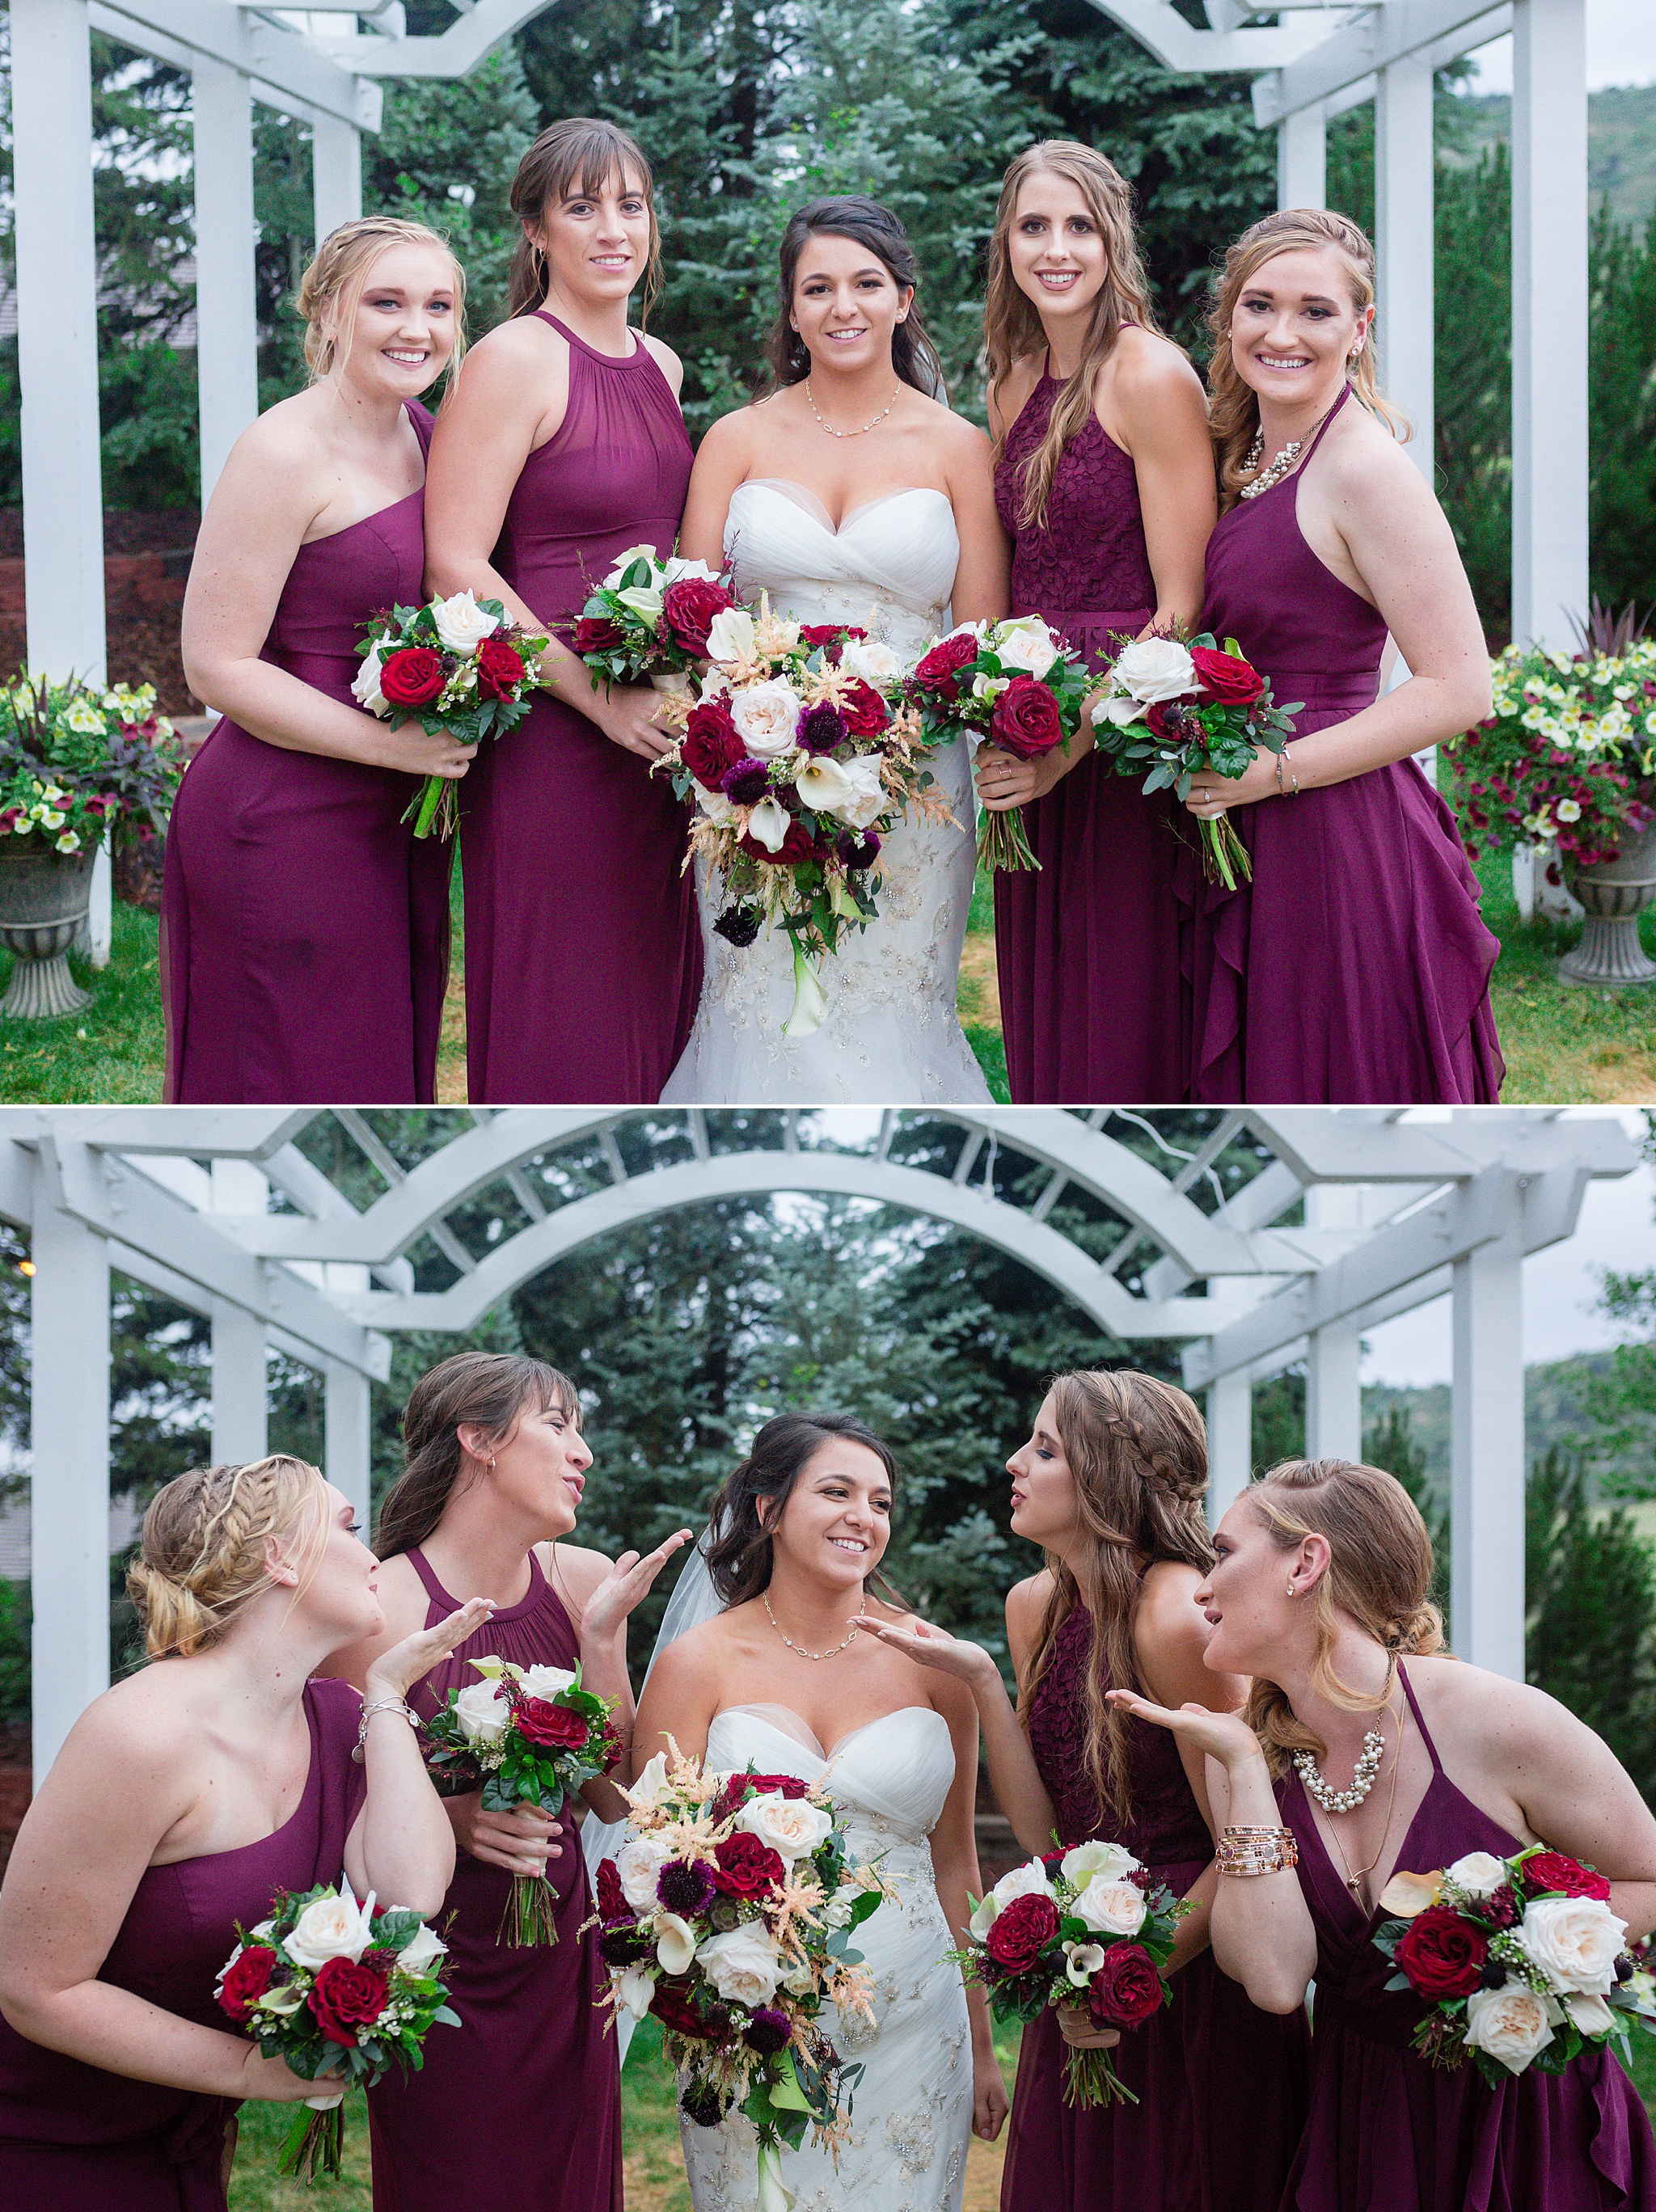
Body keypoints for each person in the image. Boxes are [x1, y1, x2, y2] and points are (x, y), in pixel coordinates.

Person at [1113, 1455, 1656, 2210]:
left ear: (1305, 1563)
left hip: (1526, 2125)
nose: (1200, 1587)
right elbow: (1273, 1983)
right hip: (1370, 2131)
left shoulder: (1499, 1721)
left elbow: (1650, 1880)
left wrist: (1506, 1945)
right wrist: (1240, 1770)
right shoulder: (1238, 1753)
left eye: (1224, 1554)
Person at [868, 1371, 1308, 2211]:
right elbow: (1046, 1839)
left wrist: (1122, 1974)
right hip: (1078, 1965)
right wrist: (984, 1685)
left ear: (1104, 1473)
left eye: (1043, 1449)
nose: (1013, 1463)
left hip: (1192, 1979)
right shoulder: (1033, 1604)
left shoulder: (1177, 1613)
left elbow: (1243, 1841)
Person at [0, 1454, 485, 2210]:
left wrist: (387, 1696)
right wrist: (249, 2071)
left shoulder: (333, 1715)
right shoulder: (139, 1735)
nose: (373, 1556)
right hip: (46, 2142)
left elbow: (411, 1893)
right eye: (350, 1528)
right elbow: (34, 1989)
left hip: (188, 2135)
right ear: (279, 1556)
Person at [319, 1350, 691, 2212]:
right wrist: (447, 1816)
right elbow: (328, 1798)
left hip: (563, 1959)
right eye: (558, 1425)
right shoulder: (381, 1611)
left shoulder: (583, 1581)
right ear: (478, 1439)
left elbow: (614, 1799)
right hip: (437, 1969)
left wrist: (600, 1646)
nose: (583, 1452)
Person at [661, 196, 1009, 1104]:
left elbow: (976, 643)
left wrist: (892, 743)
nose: (841, 307)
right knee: (760, 991)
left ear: (901, 299)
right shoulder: (735, 439)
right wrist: (751, 742)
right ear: (790, 308)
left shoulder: (958, 448)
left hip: (917, 776)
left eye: (864, 284)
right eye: (816, 288)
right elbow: (691, 617)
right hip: (750, 768)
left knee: (891, 996)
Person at [632, 1410, 1008, 2210]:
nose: (862, 1517)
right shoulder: (699, 1662)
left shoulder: (933, 1664)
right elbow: (654, 1864)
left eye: (878, 1501)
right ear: (767, 1510)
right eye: (835, 1492)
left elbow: (956, 1864)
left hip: (914, 2020)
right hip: (750, 2024)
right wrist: (710, 2001)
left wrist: (980, 2043)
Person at [1177, 208, 1503, 1103]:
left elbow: (1457, 687)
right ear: (1226, 318)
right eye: (1258, 306)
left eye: (1314, 312)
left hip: (1333, 831)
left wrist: (1271, 771)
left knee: (1327, 1071)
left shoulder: (1363, 468)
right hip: (1251, 811)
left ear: (1357, 329)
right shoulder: (1250, 451)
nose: (1280, 334)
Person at [423, 117, 702, 1104]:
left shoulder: (662, 367)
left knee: (655, 992)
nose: (613, 229)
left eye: (631, 205)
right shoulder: (514, 358)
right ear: (537, 231)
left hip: (657, 736)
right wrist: (595, 698)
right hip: (553, 729)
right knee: (566, 1005)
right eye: (582, 208)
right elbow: (453, 560)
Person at [165, 217, 470, 1104]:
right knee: (288, 1063)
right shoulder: (282, 450)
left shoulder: (426, 430)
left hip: (397, 818)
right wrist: (397, 751)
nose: (416, 328)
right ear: (330, 312)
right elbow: (216, 667)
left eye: (438, 306)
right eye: (387, 303)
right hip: (280, 816)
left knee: (381, 1057)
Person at [975, 144, 1215, 1104]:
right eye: (1034, 226)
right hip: (1028, 710)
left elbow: (1184, 604)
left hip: (1120, 730)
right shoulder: (1008, 383)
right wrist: (1001, 709)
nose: (1055, 248)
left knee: (1121, 991)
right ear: (1007, 241)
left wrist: (1070, 745)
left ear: (1112, 238)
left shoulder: (1150, 374)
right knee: (1042, 986)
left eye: (1077, 226)